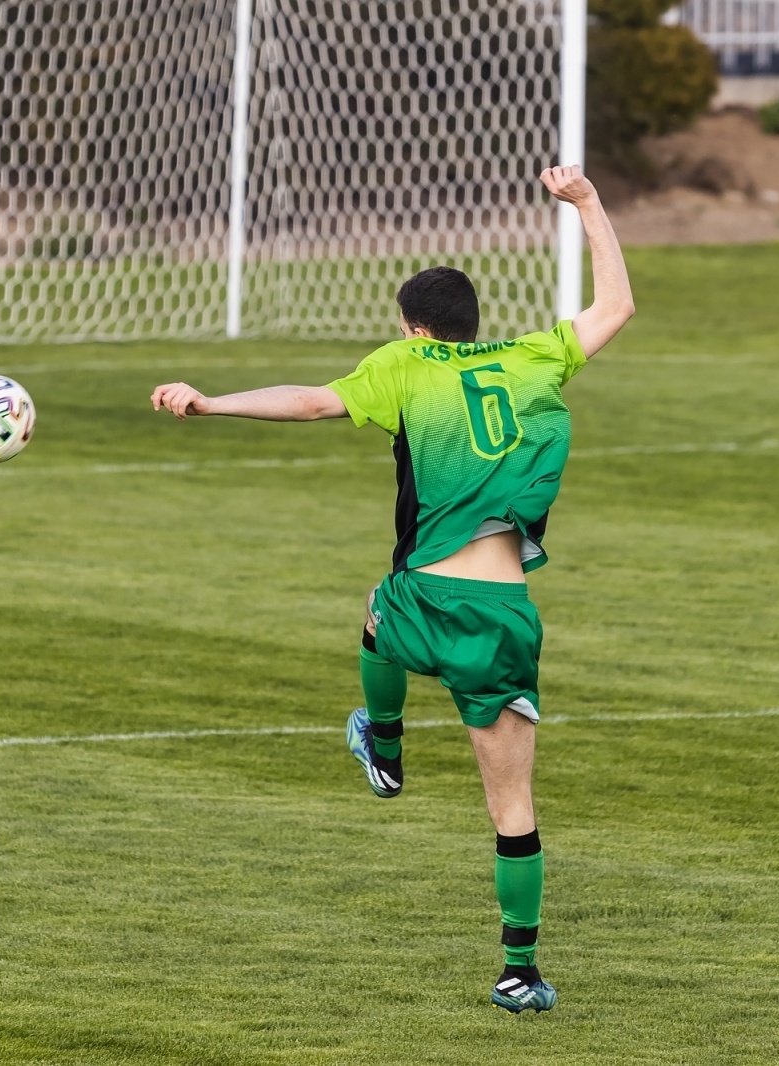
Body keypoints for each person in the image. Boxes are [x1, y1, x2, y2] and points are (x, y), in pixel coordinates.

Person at [149, 166, 634, 1014]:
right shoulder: (531, 358)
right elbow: (616, 307)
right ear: (474, 324)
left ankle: (385, 742)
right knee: (512, 805)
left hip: (422, 601)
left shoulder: (407, 364)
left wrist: (210, 401)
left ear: (415, 328)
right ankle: (519, 971)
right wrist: (588, 204)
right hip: (505, 615)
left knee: (377, 618)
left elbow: (309, 402)